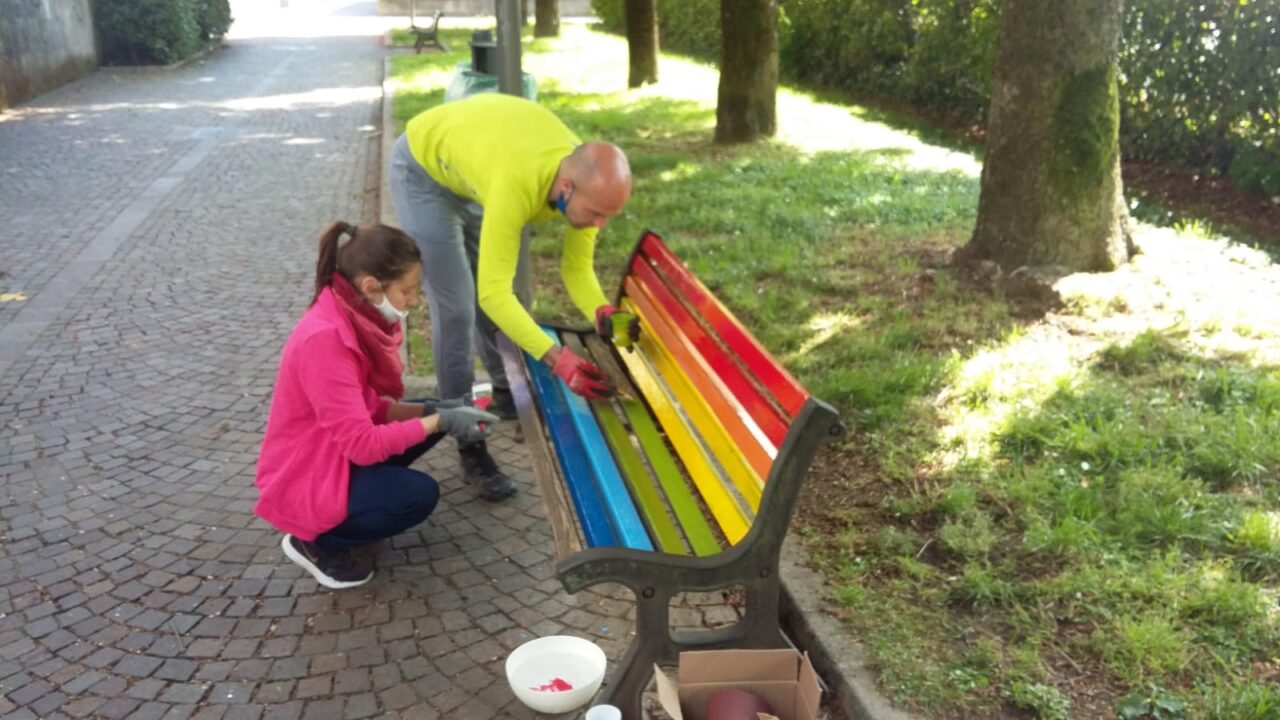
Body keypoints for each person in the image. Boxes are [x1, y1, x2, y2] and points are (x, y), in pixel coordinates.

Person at [389, 93, 641, 502]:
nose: (599, 225)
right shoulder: (519, 183)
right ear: (565, 187)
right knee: (457, 309)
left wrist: (601, 309)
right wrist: (555, 356)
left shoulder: (584, 184)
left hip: (479, 168)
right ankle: (469, 442)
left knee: (501, 297)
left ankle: (506, 392)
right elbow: (494, 294)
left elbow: (577, 270)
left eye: (607, 217)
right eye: (596, 214)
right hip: (424, 172)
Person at [254, 221, 499, 590]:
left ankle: (359, 504)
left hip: (329, 453)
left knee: (431, 411)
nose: (413, 301)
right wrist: (441, 420)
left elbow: (370, 407)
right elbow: (363, 445)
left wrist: (444, 410)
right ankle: (317, 543)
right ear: (372, 287)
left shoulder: (347, 314)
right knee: (417, 495)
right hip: (308, 474)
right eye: (407, 291)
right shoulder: (326, 340)